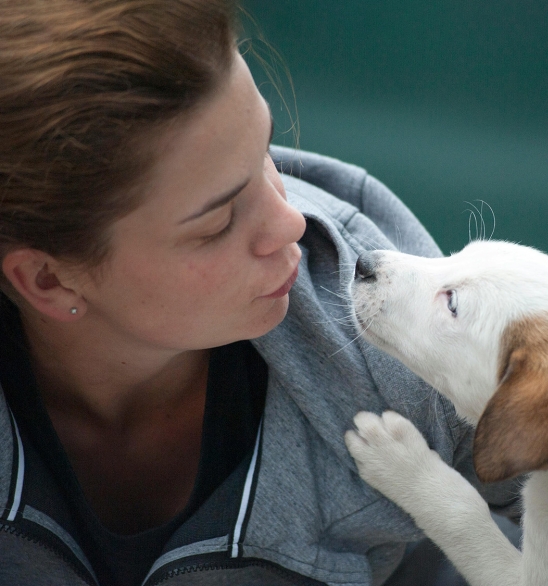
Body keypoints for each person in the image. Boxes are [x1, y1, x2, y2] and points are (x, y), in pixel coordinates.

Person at [0, 1, 518, 585]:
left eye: (266, 152)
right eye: (218, 222)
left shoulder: (402, 357)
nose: (290, 221)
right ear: (47, 279)